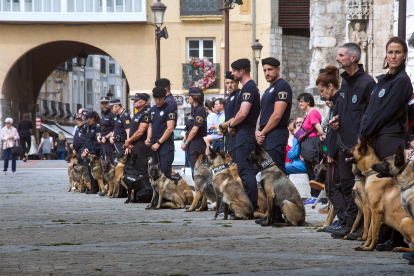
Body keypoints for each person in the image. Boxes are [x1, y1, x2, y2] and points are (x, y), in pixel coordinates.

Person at [358, 37, 414, 256]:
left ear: (404, 55)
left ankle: (394, 236)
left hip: (390, 137)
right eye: (390, 52)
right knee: (380, 189)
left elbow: (386, 112)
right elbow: (369, 111)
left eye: (398, 52)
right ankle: (384, 234)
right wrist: (363, 132)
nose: (393, 56)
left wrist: (366, 132)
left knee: (393, 188)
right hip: (375, 137)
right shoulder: (383, 81)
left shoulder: (402, 81)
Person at [329, 42, 376, 238]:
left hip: (359, 148)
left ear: (352, 58)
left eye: (340, 55)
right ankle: (349, 224)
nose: (337, 58)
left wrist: (361, 138)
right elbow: (348, 110)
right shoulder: (345, 82)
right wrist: (337, 119)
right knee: (347, 185)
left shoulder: (367, 82)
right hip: (343, 144)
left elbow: (370, 114)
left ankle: (362, 228)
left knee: (361, 188)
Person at [315, 65, 346, 233]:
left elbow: (335, 131)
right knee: (333, 187)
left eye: (322, 90)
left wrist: (330, 153)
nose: (321, 94)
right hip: (332, 150)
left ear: (330, 87)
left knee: (334, 188)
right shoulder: (336, 101)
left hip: (336, 152)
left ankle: (344, 221)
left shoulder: (339, 100)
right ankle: (343, 220)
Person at [227, 58, 260, 209]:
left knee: (246, 171)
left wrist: (231, 125)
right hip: (244, 131)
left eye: (234, 71)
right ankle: (249, 205)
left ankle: (249, 207)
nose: (232, 73)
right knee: (244, 171)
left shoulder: (248, 88)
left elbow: (243, 112)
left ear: (241, 71)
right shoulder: (248, 87)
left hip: (245, 132)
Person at [256, 57, 292, 175]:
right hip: (266, 135)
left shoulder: (282, 86)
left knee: (277, 173)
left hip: (276, 134)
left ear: (278, 69)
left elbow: (277, 115)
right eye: (265, 70)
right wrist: (257, 131)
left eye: (270, 69)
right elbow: (262, 113)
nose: (267, 73)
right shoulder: (267, 90)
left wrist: (262, 132)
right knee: (267, 173)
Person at [297, 93, 324, 204]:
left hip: (311, 146)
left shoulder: (313, 113)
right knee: (310, 171)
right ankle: (313, 196)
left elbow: (320, 130)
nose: (300, 103)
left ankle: (315, 197)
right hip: (309, 146)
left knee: (313, 171)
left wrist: (320, 133)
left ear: (308, 102)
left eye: (301, 101)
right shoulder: (310, 113)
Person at [145, 86, 176, 180]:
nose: (158, 101)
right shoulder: (152, 110)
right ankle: (157, 195)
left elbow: (170, 129)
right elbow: (150, 126)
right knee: (155, 172)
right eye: (156, 98)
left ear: (164, 97)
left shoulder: (169, 109)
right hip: (154, 144)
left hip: (165, 145)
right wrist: (148, 138)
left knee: (165, 173)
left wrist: (159, 143)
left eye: (160, 98)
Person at [125, 93, 150, 182]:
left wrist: (128, 141)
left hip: (141, 146)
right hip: (134, 146)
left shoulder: (145, 113)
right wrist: (129, 142)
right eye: (134, 100)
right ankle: (138, 193)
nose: (134, 102)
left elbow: (140, 132)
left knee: (142, 170)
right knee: (135, 170)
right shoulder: (137, 113)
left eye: (136, 100)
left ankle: (145, 192)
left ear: (143, 102)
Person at [181, 87, 207, 172]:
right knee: (193, 169)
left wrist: (186, 142)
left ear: (194, 97)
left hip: (197, 143)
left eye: (189, 96)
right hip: (192, 142)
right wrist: (184, 140)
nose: (188, 98)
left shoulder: (200, 110)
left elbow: (194, 130)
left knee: (198, 171)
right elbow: (189, 129)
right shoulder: (194, 110)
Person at [219, 71, 241, 160]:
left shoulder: (239, 95)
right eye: (227, 83)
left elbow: (236, 117)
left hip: (236, 135)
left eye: (232, 82)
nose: (229, 85)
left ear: (237, 83)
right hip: (229, 136)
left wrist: (222, 125)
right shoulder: (229, 97)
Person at [81, 111, 102, 194]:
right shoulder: (88, 126)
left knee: (95, 171)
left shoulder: (97, 127)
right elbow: (87, 139)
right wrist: (85, 148)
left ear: (92, 119)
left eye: (88, 120)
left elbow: (96, 142)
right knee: (90, 170)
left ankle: (96, 188)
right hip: (89, 152)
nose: (87, 122)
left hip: (95, 152)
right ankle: (93, 187)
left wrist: (92, 151)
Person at [97, 97, 115, 164]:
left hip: (109, 142)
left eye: (106, 103)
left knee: (110, 161)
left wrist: (106, 137)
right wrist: (99, 136)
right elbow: (103, 128)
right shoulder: (103, 114)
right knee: (103, 161)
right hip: (103, 142)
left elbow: (114, 128)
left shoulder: (112, 114)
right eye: (102, 103)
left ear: (109, 104)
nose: (104, 105)